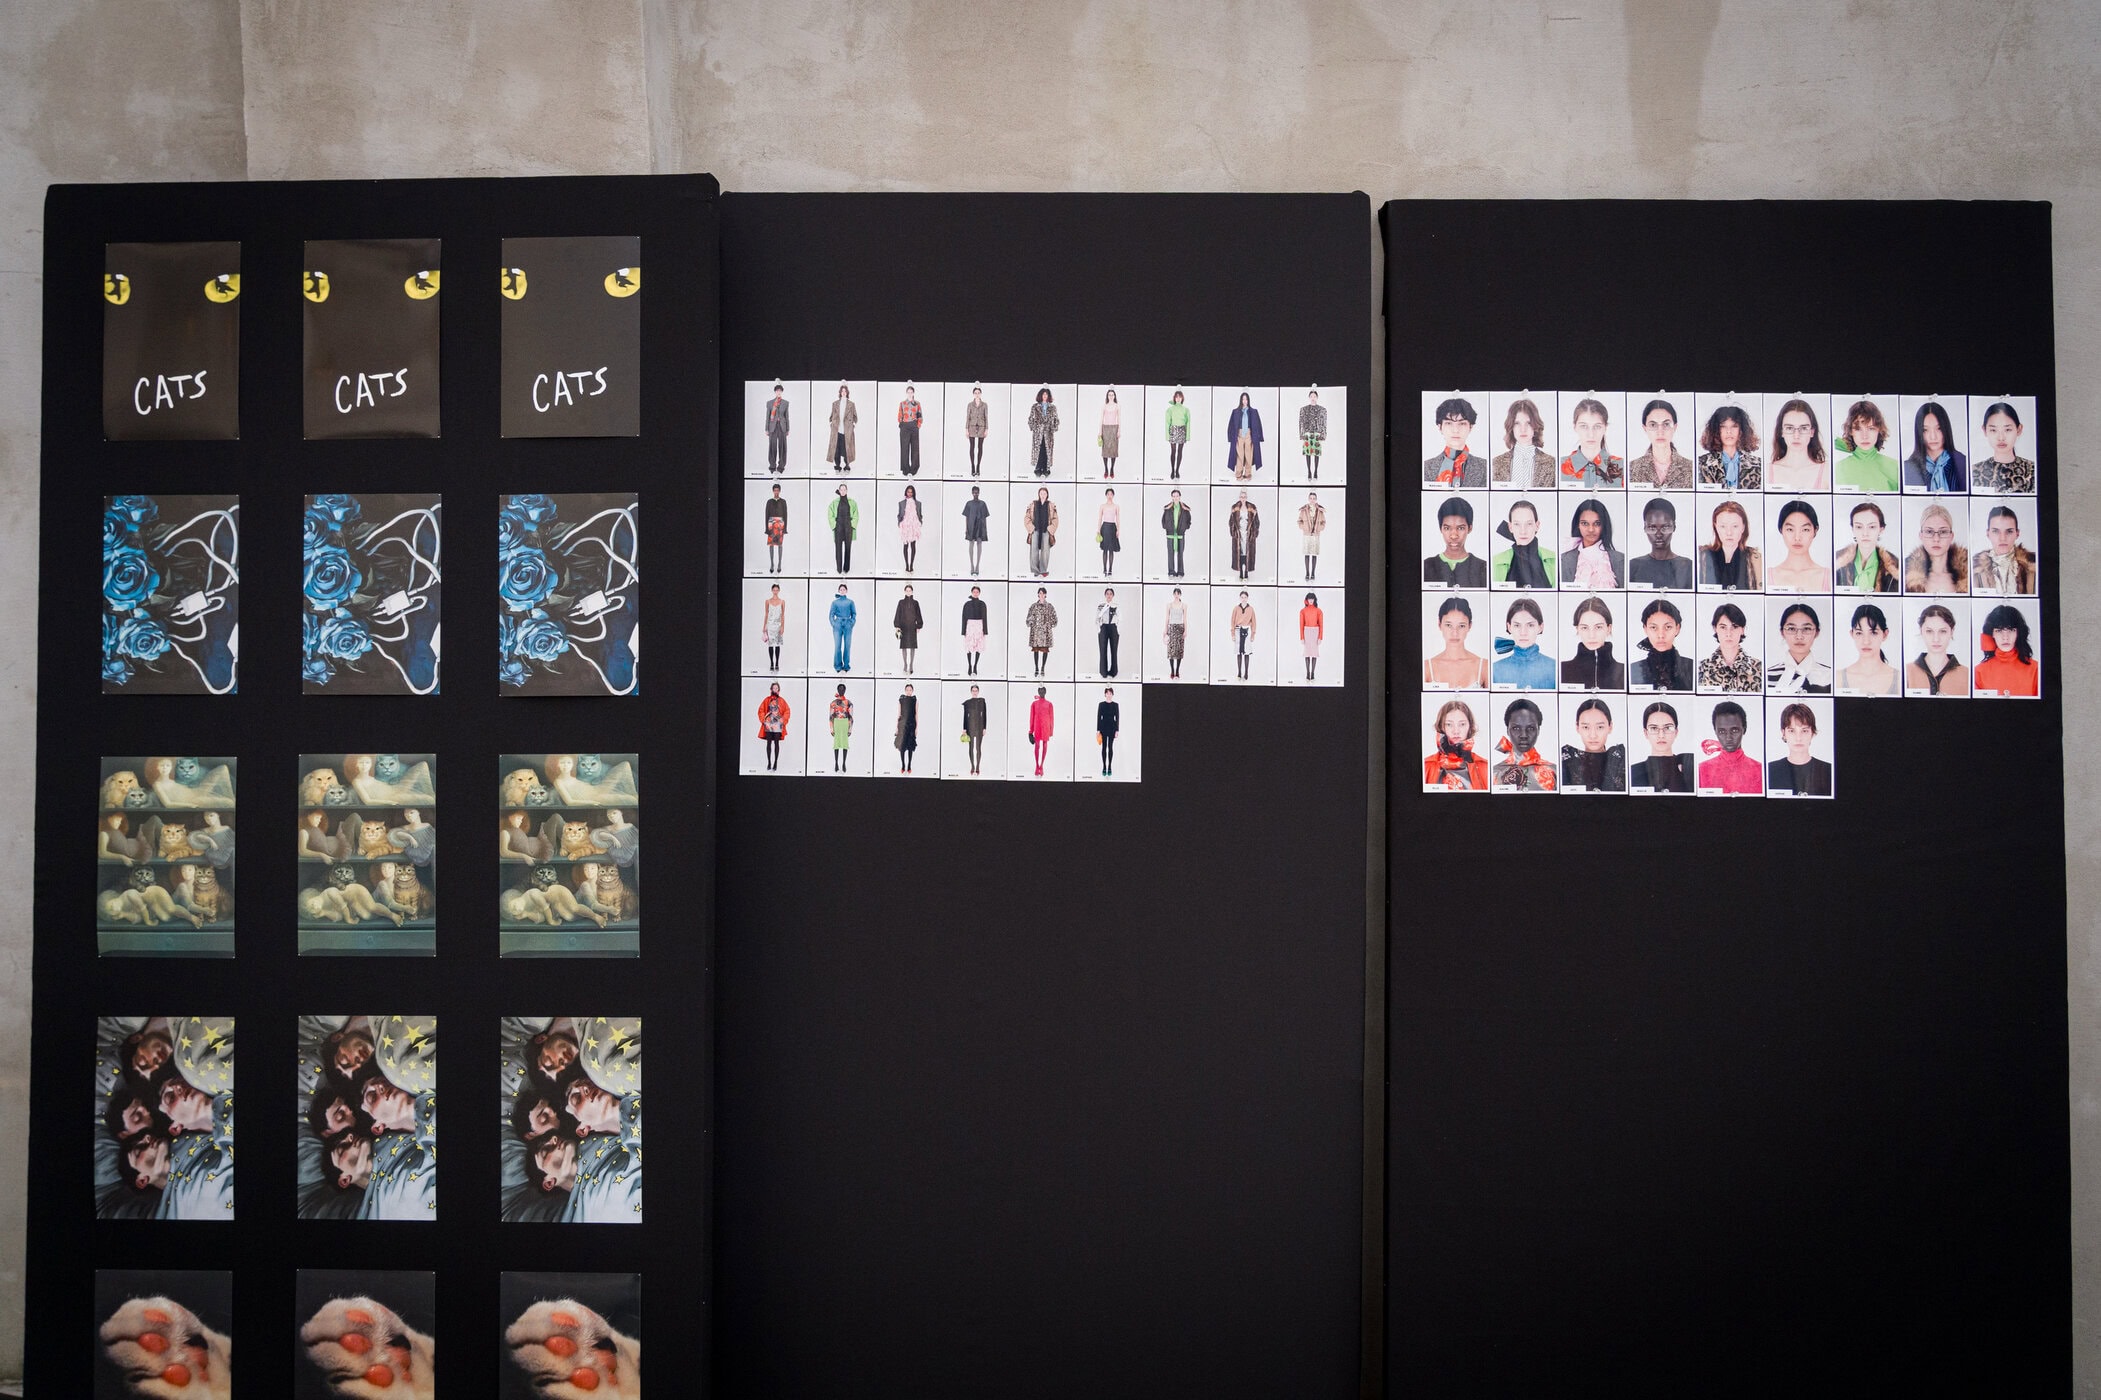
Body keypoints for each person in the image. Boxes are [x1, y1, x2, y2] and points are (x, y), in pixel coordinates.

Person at [1560, 696, 1626, 792]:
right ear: (1577, 727)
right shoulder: (1566, 760)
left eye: (1600, 727)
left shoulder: (1621, 759)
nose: (1593, 735)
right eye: (1586, 727)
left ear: (1610, 727)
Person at [1833, 399, 1900, 491]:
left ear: (1879, 430)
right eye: (1858, 429)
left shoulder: (1895, 467)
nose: (1865, 436)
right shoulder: (1837, 469)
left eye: (1871, 428)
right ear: (1851, 431)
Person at [1560, 594, 1624, 689]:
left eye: (1598, 627)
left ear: (1609, 628)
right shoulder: (1562, 670)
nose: (1591, 635)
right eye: (1585, 628)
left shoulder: (1624, 671)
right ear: (1577, 629)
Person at [1833, 500, 1899, 592]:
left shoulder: (1896, 567)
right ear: (1853, 529)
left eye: (1872, 527)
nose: (1865, 533)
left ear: (1881, 529)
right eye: (1859, 527)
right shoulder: (1836, 561)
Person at [1767, 702, 1832, 795]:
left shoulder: (1828, 771)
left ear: (1813, 733)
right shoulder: (1770, 770)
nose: (1798, 738)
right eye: (1792, 731)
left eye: (1804, 731)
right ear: (1783, 733)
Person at [1971, 504, 2038, 595]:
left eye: (2009, 531)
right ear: (1988, 534)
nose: (2002, 538)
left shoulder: (2034, 564)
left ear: (2017, 533)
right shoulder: (1973, 567)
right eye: (1995, 531)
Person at [1697, 700, 1761, 794]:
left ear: (1744, 729)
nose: (1728, 738)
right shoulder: (1702, 770)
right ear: (1715, 731)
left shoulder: (1760, 770)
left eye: (1734, 730)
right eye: (1722, 731)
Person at [1425, 698, 1489, 790]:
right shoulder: (1426, 766)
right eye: (1449, 724)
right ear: (1441, 727)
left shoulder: (1485, 767)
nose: (1456, 731)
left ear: (1470, 726)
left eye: (1462, 724)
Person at [1975, 604, 2040, 696]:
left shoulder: (2036, 668)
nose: (2005, 637)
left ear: (2018, 632)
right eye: (1999, 630)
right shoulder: (1979, 671)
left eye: (2011, 630)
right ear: (1991, 634)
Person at [1425, 595, 1489, 688]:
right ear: (1439, 624)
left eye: (1461, 626)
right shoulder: (1427, 667)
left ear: (1469, 626)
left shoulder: (1484, 666)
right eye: (1448, 625)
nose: (1455, 633)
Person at [1767, 602, 1831, 694]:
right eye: (1791, 629)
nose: (1799, 636)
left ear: (1817, 632)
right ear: (1782, 632)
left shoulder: (1830, 675)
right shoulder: (1767, 676)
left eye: (1807, 629)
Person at [1492, 699, 1556, 791]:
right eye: (1516, 728)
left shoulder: (1554, 772)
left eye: (1530, 728)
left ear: (1538, 730)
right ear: (1507, 730)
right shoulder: (1494, 773)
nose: (1524, 735)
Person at [1973, 401, 2037, 493]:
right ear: (1984, 430)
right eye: (1993, 430)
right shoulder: (1974, 471)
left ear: (2019, 429)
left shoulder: (2032, 470)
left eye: (2007, 429)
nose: (2001, 438)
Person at [1627, 496, 1691, 588]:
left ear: (1674, 527)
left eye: (1665, 527)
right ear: (1645, 528)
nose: (1658, 534)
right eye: (1652, 527)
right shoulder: (1633, 566)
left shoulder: (1688, 567)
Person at [1767, 499, 1830, 591]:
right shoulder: (1768, 576)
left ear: (1815, 531)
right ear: (1781, 530)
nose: (1797, 538)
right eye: (1790, 529)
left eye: (1805, 530)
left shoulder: (1828, 577)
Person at [1697, 500, 1762, 589]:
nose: (1729, 533)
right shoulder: (1702, 557)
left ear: (1743, 527)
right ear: (1716, 526)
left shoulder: (1756, 560)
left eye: (1735, 526)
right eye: (1723, 526)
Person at [1559, 397, 1623, 488]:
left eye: (1597, 426)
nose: (1591, 434)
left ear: (1605, 428)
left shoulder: (1623, 467)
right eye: (1584, 426)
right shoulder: (1558, 467)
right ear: (1575, 427)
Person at [1559, 497, 1622, 589]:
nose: (1591, 529)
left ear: (1604, 525)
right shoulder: (1563, 560)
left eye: (1597, 523)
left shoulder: (1621, 560)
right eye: (1585, 523)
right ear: (1578, 525)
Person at [1903, 503, 1968, 593]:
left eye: (1943, 532)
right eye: (1929, 531)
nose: (1936, 539)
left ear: (1951, 536)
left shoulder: (1972, 573)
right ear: (1921, 535)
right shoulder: (1903, 573)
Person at [1907, 603, 1969, 695]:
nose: (1936, 639)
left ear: (1952, 632)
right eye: (1929, 631)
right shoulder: (1907, 672)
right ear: (1921, 631)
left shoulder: (1967, 674)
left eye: (1942, 631)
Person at [1631, 701, 1694, 792]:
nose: (1661, 735)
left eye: (1667, 728)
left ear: (1676, 732)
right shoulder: (1633, 772)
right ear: (1646, 733)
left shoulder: (1690, 768)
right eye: (1654, 728)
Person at [1904, 400, 1966, 491]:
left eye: (1939, 428)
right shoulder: (1908, 468)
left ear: (1946, 429)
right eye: (1925, 430)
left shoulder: (1962, 463)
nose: (1933, 436)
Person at [1632, 598, 1694, 691]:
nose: (1661, 635)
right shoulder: (1633, 669)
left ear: (1677, 628)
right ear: (1645, 629)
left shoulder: (1692, 667)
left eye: (1668, 627)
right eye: (1653, 627)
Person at [1696, 404, 1763, 489]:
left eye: (1734, 426)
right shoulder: (1701, 464)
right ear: (1716, 430)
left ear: (1742, 430)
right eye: (1723, 426)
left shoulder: (1758, 464)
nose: (1729, 431)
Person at [1629, 398, 1694, 487]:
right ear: (1645, 428)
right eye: (1653, 425)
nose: (1660, 432)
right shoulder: (1631, 469)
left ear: (1675, 427)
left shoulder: (1691, 468)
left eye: (1666, 424)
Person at [1423, 495, 1485, 586]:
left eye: (1460, 528)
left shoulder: (1483, 568)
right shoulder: (1426, 566)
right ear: (1441, 529)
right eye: (1447, 528)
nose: (1454, 536)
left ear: (1469, 528)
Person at [1767, 398, 1828, 490]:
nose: (1796, 436)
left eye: (1803, 428)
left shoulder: (1827, 471)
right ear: (1781, 432)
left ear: (1812, 432)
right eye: (1789, 428)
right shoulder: (1766, 471)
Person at [1492, 597, 1553, 689]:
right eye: (1517, 625)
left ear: (1540, 627)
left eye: (1530, 625)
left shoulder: (1554, 667)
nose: (1523, 632)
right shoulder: (1494, 669)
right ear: (1509, 627)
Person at [1493, 397, 1555, 488]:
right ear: (1511, 426)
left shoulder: (1552, 463)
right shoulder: (1496, 463)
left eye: (1528, 423)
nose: (1523, 429)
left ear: (1535, 425)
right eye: (1517, 423)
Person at [1491, 499, 1554, 586]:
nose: (1523, 531)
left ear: (1537, 525)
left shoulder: (1554, 559)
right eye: (1517, 524)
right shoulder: (1495, 562)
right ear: (1510, 527)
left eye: (1529, 524)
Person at [1424, 397, 1484, 486]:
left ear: (1470, 427)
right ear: (1440, 427)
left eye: (1462, 423)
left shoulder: (1485, 467)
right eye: (1449, 423)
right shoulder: (1426, 467)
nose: (1455, 430)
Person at [1839, 603, 1897, 695]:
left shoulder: (1900, 679)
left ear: (1885, 634)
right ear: (1852, 634)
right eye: (1859, 633)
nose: (1866, 642)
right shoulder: (1838, 678)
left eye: (1873, 633)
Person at [1021, 487, 1058, 577]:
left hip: (1046, 530)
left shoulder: (1051, 505)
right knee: (1034, 550)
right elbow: (1027, 517)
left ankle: (1043, 570)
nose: (1043, 495)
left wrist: (1050, 529)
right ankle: (1035, 571)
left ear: (1047, 495)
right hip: (1035, 530)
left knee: (1045, 551)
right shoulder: (1033, 504)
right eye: (1041, 493)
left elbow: (1055, 519)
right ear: (1039, 494)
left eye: (1044, 493)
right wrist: (1031, 528)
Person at [1228, 391, 1265, 480]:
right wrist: (1230, 437)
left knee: (1249, 455)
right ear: (1241, 400)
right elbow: (1231, 425)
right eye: (1243, 399)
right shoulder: (1235, 411)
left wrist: (1260, 437)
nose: (1244, 401)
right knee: (1239, 455)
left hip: (1249, 435)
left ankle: (1248, 473)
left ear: (1248, 400)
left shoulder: (1253, 412)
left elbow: (1258, 424)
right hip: (1239, 435)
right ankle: (1238, 473)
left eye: (1246, 399)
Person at [756, 684, 790, 771]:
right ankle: (769, 762)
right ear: (771, 689)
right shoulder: (766, 700)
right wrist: (764, 720)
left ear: (778, 690)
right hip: (768, 724)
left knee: (776, 743)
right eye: (773, 688)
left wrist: (783, 719)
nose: (775, 689)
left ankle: (775, 763)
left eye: (776, 688)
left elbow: (787, 711)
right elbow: (761, 710)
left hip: (778, 724)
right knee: (768, 743)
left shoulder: (782, 701)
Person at [1228, 489, 1261, 580]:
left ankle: (1246, 574)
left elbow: (1257, 522)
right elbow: (1231, 522)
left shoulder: (1252, 507)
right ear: (1239, 497)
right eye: (1241, 497)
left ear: (1246, 497)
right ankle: (1241, 574)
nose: (1243, 498)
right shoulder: (1234, 507)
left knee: (1248, 552)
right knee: (1239, 552)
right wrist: (1233, 532)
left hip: (1248, 533)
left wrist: (1254, 533)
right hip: (1239, 534)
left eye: (1244, 497)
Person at [1025, 586, 1058, 677]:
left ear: (1045, 594)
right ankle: (1036, 668)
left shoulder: (1049, 606)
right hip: (1036, 632)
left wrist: (1049, 624)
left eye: (1043, 593)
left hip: (1045, 632)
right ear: (1038, 594)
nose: (1041, 595)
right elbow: (1028, 618)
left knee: (1045, 650)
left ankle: (1043, 668)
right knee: (1036, 650)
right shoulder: (1033, 606)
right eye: (1040, 593)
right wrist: (1031, 622)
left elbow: (1054, 618)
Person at [826, 483, 859, 572]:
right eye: (841, 490)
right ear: (839, 491)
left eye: (845, 489)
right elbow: (830, 514)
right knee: (838, 548)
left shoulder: (852, 502)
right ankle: (839, 569)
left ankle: (846, 568)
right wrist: (834, 525)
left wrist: (852, 525)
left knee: (848, 548)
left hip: (848, 527)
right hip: (838, 527)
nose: (843, 491)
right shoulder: (834, 503)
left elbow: (856, 515)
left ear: (847, 491)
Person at [1028, 387, 1059, 477]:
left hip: (1048, 433)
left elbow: (1056, 419)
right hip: (1038, 433)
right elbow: (1030, 419)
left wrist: (1053, 428)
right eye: (1043, 394)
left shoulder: (1052, 407)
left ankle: (1046, 468)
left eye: (1046, 394)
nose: (1045, 396)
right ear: (1040, 395)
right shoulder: (1035, 407)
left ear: (1048, 396)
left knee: (1047, 450)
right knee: (1039, 449)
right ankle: (1038, 468)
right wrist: (1034, 428)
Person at [892, 584, 923, 674]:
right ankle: (905, 664)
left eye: (910, 590)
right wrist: (897, 626)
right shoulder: (901, 602)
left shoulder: (916, 603)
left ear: (912, 592)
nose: (908, 592)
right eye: (907, 590)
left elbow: (918, 614)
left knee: (913, 647)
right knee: (904, 647)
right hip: (903, 627)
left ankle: (911, 665)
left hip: (912, 627)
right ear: (904, 592)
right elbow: (898, 613)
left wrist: (919, 626)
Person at [1160, 489, 1192, 578]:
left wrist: (1185, 527)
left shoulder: (1184, 509)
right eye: (1174, 496)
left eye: (1177, 496)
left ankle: (1180, 572)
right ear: (1172, 497)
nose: (1175, 498)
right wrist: (1166, 527)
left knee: (1180, 554)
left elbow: (1189, 520)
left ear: (1180, 497)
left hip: (1180, 534)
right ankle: (1171, 572)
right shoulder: (1168, 508)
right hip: (1170, 534)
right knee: (1170, 554)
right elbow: (1163, 520)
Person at [960, 585, 989, 676]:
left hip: (979, 626)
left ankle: (975, 665)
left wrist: (985, 630)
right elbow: (964, 618)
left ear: (979, 593)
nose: (975, 593)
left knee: (978, 646)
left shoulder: (982, 604)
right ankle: (969, 665)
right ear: (971, 592)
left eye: (977, 592)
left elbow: (985, 618)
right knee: (969, 646)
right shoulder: (967, 604)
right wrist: (963, 631)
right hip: (969, 626)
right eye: (974, 592)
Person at [1298, 492, 1327, 582]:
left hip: (1315, 535)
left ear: (1316, 499)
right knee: (1306, 553)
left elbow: (1323, 522)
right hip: (1306, 535)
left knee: (1314, 554)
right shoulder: (1303, 510)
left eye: (1314, 498)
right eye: (1311, 498)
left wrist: (1318, 529)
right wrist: (1304, 528)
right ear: (1308, 499)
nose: (1312, 500)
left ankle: (1313, 573)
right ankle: (1307, 573)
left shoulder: (1320, 510)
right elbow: (1299, 521)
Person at [828, 383, 857, 472]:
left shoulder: (851, 404)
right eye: (842, 391)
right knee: (836, 449)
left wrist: (852, 425)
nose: (843, 393)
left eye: (845, 391)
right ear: (840, 392)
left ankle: (847, 467)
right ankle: (837, 467)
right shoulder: (835, 404)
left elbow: (855, 417)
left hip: (847, 431)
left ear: (847, 393)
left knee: (847, 449)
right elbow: (831, 416)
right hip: (836, 430)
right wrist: (832, 424)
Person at [961, 485, 990, 575]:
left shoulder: (983, 504)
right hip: (971, 526)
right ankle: (971, 566)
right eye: (974, 492)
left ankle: (977, 566)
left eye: (977, 492)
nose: (975, 494)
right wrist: (966, 528)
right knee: (971, 544)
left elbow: (985, 517)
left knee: (979, 545)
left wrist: (985, 529)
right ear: (972, 493)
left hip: (980, 526)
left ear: (979, 493)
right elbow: (966, 517)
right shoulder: (969, 503)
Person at [1229, 591, 1258, 681]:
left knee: (1246, 652)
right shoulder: (1236, 608)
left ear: (1247, 598)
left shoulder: (1251, 609)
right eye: (1242, 597)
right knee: (1238, 652)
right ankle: (1239, 672)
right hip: (1238, 630)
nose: (1243, 599)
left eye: (1245, 597)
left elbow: (1254, 622)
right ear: (1240, 598)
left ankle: (1246, 673)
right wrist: (1232, 634)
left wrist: (1253, 634)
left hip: (1247, 631)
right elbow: (1232, 621)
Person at [827, 583, 856, 673]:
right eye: (841, 590)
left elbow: (854, 613)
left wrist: (851, 622)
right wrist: (834, 623)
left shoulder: (850, 602)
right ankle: (838, 666)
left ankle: (846, 665)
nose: (842, 591)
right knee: (837, 646)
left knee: (847, 645)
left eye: (844, 589)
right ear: (839, 591)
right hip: (838, 624)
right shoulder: (835, 602)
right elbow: (831, 614)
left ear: (846, 591)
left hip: (847, 624)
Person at [1298, 389, 1327, 478]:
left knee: (1316, 454)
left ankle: (1316, 471)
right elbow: (1301, 422)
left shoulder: (1322, 410)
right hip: (1308, 434)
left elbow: (1324, 423)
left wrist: (1323, 434)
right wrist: (1302, 434)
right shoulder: (1304, 409)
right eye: (1311, 396)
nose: (1313, 398)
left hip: (1317, 434)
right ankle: (1309, 471)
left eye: (1314, 396)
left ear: (1317, 397)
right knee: (1308, 454)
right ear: (1309, 397)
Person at [764, 382, 791, 474]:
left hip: (782, 427)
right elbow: (767, 417)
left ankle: (781, 467)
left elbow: (787, 417)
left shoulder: (785, 403)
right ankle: (772, 466)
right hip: (772, 427)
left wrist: (788, 429)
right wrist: (766, 429)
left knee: (782, 447)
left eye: (780, 391)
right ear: (775, 392)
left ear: (782, 392)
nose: (778, 392)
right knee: (772, 446)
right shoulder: (770, 403)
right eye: (777, 391)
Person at [1164, 388, 1191, 479]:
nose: (1178, 399)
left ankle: (1177, 470)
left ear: (1182, 398)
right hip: (1173, 430)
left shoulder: (1186, 410)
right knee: (1173, 451)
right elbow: (1167, 423)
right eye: (1176, 397)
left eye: (1180, 397)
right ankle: (1172, 470)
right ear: (1174, 398)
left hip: (1182, 430)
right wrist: (1167, 436)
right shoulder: (1170, 410)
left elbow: (1188, 423)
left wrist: (1187, 436)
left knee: (1180, 451)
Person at [897, 383, 923, 475]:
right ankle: (905, 469)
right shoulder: (902, 404)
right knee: (904, 448)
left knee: (915, 448)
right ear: (906, 393)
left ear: (913, 393)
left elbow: (920, 415)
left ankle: (914, 468)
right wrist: (902, 424)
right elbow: (899, 415)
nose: (910, 394)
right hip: (905, 426)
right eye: (908, 392)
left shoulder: (917, 404)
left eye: (911, 392)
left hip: (914, 426)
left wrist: (918, 425)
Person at [896, 485, 923, 572]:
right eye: (908, 492)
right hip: (905, 526)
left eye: (911, 492)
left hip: (914, 526)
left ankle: (911, 565)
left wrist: (920, 522)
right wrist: (900, 522)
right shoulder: (901, 503)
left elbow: (920, 514)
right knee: (905, 545)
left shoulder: (918, 503)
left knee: (913, 545)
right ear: (906, 492)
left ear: (914, 493)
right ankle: (906, 565)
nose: (910, 493)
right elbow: (899, 514)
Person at [1028, 686, 1055, 775]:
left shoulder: (1049, 704)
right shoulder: (1034, 704)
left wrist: (1051, 730)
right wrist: (1030, 731)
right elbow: (1032, 717)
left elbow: (1051, 718)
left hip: (1046, 727)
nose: (1041, 692)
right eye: (1040, 690)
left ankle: (1041, 765)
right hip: (1037, 726)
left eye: (1043, 690)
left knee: (1045, 745)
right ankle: (1037, 765)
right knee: (1037, 746)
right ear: (1038, 691)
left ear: (1045, 691)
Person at [961, 684, 988, 773]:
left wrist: (984, 727)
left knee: (978, 748)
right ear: (971, 692)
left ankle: (978, 767)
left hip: (979, 726)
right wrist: (964, 728)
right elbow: (965, 716)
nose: (975, 692)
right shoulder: (967, 703)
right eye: (973, 691)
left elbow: (984, 715)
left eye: (976, 691)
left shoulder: (982, 701)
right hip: (970, 726)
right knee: (971, 747)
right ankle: (972, 766)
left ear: (978, 691)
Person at [1298, 592, 1324, 682]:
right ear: (1306, 600)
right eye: (1309, 599)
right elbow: (1301, 625)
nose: (1311, 600)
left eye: (1312, 599)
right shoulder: (1303, 611)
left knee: (1314, 653)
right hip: (1306, 632)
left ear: (1314, 599)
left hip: (1315, 632)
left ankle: (1312, 673)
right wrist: (1302, 637)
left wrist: (1320, 637)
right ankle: (1307, 673)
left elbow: (1321, 625)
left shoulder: (1319, 611)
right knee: (1307, 653)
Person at [964, 384, 989, 475]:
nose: (977, 394)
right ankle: (972, 466)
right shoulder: (970, 405)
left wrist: (986, 428)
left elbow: (986, 417)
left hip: (982, 427)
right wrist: (966, 429)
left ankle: (978, 466)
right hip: (971, 427)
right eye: (975, 393)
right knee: (972, 447)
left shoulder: (984, 405)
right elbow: (968, 417)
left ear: (981, 394)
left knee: (980, 447)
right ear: (973, 394)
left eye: (978, 393)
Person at [1164, 588, 1189, 679]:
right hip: (1171, 628)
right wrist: (1165, 629)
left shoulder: (1184, 605)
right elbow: (1167, 618)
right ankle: (1172, 671)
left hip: (1180, 628)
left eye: (1178, 593)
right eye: (1175, 593)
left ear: (1180, 595)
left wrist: (1186, 630)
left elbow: (1185, 618)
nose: (1176, 595)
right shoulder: (1169, 605)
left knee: (1179, 650)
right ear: (1173, 594)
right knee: (1170, 650)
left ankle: (1177, 671)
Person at [760, 583, 786, 671]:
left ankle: (777, 663)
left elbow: (783, 615)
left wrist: (783, 626)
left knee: (777, 645)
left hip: (778, 625)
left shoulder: (782, 601)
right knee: (770, 645)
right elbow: (766, 614)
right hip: (770, 625)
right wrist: (764, 626)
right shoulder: (767, 601)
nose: (775, 591)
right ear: (772, 590)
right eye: (774, 590)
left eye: (776, 590)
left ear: (779, 591)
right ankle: (771, 663)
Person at [828, 684, 853, 771]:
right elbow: (831, 716)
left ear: (845, 690)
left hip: (845, 723)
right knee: (836, 744)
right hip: (836, 723)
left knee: (845, 744)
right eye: (840, 689)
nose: (841, 691)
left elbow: (851, 716)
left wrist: (850, 729)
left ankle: (844, 763)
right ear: (837, 690)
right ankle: (836, 763)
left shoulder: (849, 703)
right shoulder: (833, 703)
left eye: (843, 689)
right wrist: (831, 728)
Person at [893, 685, 919, 772]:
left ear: (912, 691)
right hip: (902, 725)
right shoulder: (901, 700)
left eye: (910, 690)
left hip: (911, 725)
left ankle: (909, 766)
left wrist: (916, 728)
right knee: (902, 746)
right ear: (905, 690)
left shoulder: (915, 700)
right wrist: (897, 727)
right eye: (907, 690)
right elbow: (899, 714)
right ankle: (903, 765)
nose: (908, 691)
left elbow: (916, 714)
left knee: (910, 746)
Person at [763, 483, 787, 573]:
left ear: (779, 491)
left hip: (780, 524)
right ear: (773, 491)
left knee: (780, 545)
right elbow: (766, 515)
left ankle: (779, 564)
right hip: (771, 524)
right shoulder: (769, 501)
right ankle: (772, 564)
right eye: (775, 490)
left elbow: (785, 515)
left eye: (777, 490)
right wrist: (767, 528)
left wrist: (785, 528)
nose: (776, 492)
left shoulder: (783, 501)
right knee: (771, 545)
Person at [1096, 588, 1120, 677]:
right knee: (1102, 650)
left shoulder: (1116, 606)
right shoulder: (1101, 606)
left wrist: (1118, 629)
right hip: (1103, 627)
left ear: (1113, 595)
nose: (1109, 595)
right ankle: (1103, 672)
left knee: (1114, 650)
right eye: (1107, 593)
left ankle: (1114, 672)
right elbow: (1097, 618)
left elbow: (1120, 618)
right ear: (1105, 595)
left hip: (1113, 627)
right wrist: (1099, 628)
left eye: (1110, 594)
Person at [1096, 488, 1121, 574]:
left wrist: (1118, 530)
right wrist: (1098, 529)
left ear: (1113, 495)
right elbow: (1100, 518)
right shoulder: (1102, 506)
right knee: (1105, 549)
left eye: (1111, 494)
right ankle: (1104, 569)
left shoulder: (1116, 506)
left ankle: (1110, 570)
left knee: (1111, 549)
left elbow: (1118, 518)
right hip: (1105, 528)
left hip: (1113, 527)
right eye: (1108, 494)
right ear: (1106, 495)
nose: (1110, 496)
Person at [1096, 687, 1120, 775]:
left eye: (1110, 693)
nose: (1109, 695)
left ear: (1112, 694)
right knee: (1103, 747)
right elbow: (1099, 717)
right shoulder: (1101, 704)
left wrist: (1117, 730)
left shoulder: (1115, 705)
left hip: (1112, 728)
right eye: (1107, 693)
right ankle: (1104, 767)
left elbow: (1117, 718)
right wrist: (1098, 730)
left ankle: (1109, 766)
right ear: (1105, 694)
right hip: (1103, 727)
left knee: (1110, 747)